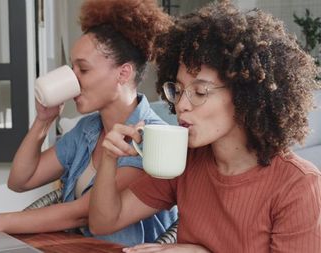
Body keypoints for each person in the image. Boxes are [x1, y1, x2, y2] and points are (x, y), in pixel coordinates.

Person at [89, 2, 321, 252]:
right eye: (177, 90)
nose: (181, 105)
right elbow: (104, 222)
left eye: (200, 91)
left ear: (245, 95)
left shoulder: (298, 185)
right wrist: (110, 158)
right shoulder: (185, 160)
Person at [0, 0, 178, 246]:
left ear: (123, 73)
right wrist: (43, 121)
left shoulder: (151, 139)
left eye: (83, 70)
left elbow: (82, 212)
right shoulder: (88, 128)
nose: (73, 79)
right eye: (72, 68)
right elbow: (20, 181)